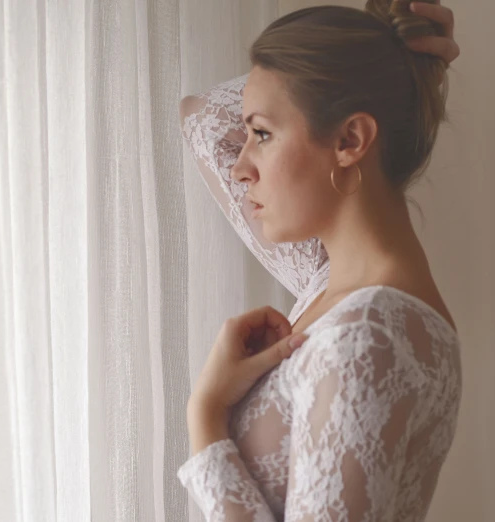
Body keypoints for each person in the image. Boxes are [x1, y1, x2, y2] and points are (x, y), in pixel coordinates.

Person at [176, 1, 462, 521]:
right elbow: (202, 116)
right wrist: (385, 44)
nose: (241, 167)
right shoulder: (328, 281)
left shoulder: (369, 330)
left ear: (350, 140)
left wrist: (207, 419)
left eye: (261, 134)